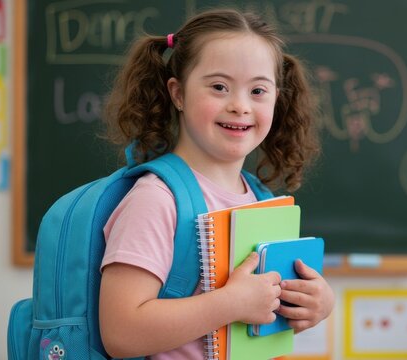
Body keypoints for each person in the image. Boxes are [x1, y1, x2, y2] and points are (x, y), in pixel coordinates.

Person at [98, 8, 335, 359]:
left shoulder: (260, 199)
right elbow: (121, 333)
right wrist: (230, 303)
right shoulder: (156, 200)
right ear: (177, 94)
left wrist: (316, 304)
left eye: (258, 90)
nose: (239, 106)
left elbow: (266, 311)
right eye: (219, 87)